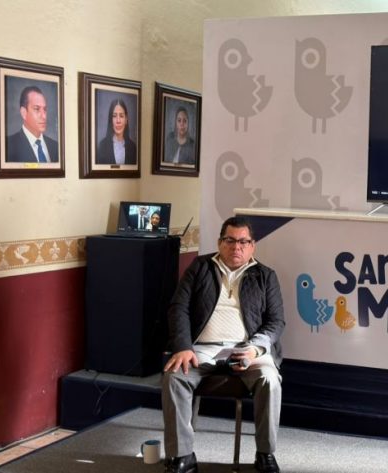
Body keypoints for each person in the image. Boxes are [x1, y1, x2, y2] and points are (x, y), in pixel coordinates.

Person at [162, 216, 285, 473]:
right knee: (174, 377)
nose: (236, 247)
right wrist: (183, 346)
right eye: (230, 240)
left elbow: (276, 322)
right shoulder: (200, 267)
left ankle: (265, 453)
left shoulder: (265, 276)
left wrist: (254, 349)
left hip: (247, 349)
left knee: (270, 380)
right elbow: (178, 308)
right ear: (220, 242)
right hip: (202, 349)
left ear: (252, 246)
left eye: (243, 242)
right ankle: (183, 455)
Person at [6, 86, 59, 163]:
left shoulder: (56, 146)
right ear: (24, 113)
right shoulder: (8, 146)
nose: (44, 116)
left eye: (45, 109)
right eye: (37, 109)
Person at [96, 98, 137, 165]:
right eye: (114, 116)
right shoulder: (102, 146)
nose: (118, 121)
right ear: (110, 120)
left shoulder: (133, 147)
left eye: (121, 116)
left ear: (126, 119)